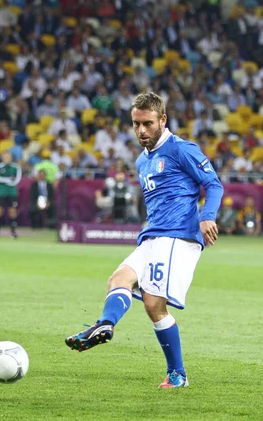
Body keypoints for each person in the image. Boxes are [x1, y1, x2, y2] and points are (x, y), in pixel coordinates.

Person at [65, 92, 223, 388]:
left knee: (153, 304)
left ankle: (178, 375)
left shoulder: (182, 149)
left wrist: (207, 216)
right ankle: (105, 325)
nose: (141, 131)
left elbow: (213, 184)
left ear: (163, 120)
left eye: (147, 124)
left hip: (178, 236)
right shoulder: (142, 160)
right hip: (152, 235)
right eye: (136, 124)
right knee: (118, 278)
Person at [0, 151, 22, 238]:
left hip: (12, 192)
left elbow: (17, 179)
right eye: (5, 157)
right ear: (2, 158)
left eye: (8, 157)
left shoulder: (16, 167)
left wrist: (9, 182)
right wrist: (9, 180)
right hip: (1, 192)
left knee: (12, 211)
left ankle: (13, 232)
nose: (7, 159)